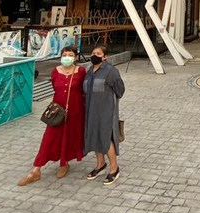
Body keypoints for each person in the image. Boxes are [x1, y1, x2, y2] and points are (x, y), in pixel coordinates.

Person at [18, 46, 86, 186]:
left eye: (70, 54)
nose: (67, 57)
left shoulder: (81, 71)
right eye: (65, 54)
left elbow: (83, 89)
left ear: (75, 57)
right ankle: (36, 170)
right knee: (50, 137)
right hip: (57, 110)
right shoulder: (55, 71)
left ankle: (64, 163)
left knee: (69, 135)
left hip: (76, 109)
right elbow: (55, 87)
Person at [83, 45, 125, 185]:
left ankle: (114, 168)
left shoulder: (111, 71)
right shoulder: (89, 71)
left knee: (106, 138)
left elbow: (120, 89)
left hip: (106, 110)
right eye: (93, 52)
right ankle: (100, 164)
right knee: (94, 135)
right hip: (90, 110)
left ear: (105, 57)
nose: (95, 55)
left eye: (98, 53)